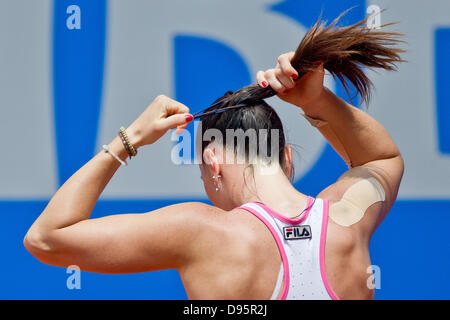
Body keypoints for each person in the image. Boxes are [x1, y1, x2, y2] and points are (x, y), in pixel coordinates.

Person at [23, 16, 404, 300]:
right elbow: (381, 159)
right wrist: (317, 100)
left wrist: (129, 139)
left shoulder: (201, 231)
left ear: (213, 162)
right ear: (287, 158)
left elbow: (46, 239)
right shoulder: (347, 221)